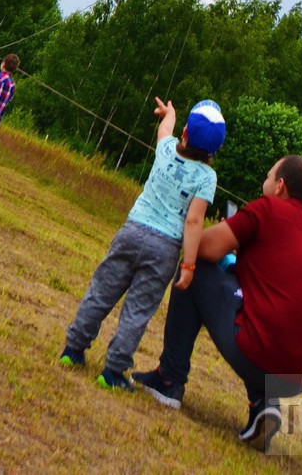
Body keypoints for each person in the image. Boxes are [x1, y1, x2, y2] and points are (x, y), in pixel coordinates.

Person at [134, 154, 302, 454]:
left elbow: (203, 248)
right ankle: (264, 406)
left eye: (268, 177)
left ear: (279, 186)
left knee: (194, 266)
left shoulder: (268, 210)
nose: (264, 182)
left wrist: (208, 231)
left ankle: (168, 380)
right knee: (260, 313)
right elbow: (266, 285)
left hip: (260, 355)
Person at [58, 97, 226, 391]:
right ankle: (113, 371)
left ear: (184, 132)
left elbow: (165, 130)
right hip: (164, 249)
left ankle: (72, 350)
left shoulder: (165, 149)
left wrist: (169, 113)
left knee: (101, 292)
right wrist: (188, 264)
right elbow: (194, 222)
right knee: (137, 311)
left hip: (132, 231)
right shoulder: (207, 177)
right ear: (214, 151)